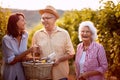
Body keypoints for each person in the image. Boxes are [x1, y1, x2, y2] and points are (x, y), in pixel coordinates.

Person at [31, 5, 75, 80]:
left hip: (60, 75)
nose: (44, 20)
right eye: (43, 18)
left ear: (54, 19)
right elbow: (34, 55)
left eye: (47, 18)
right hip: (43, 75)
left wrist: (59, 59)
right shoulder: (37, 34)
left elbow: (71, 54)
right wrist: (36, 53)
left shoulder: (64, 33)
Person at [2, 12, 39, 80]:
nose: (25, 22)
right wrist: (29, 50)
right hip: (11, 75)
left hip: (22, 74)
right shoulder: (6, 39)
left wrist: (38, 59)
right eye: (22, 20)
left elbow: (22, 57)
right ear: (15, 23)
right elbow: (11, 61)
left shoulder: (25, 35)